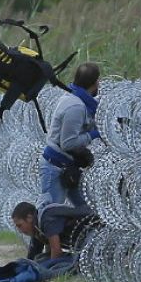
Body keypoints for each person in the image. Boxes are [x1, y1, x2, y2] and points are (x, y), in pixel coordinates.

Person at [39, 62, 101, 208]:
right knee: (50, 214)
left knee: (86, 212)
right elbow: (68, 143)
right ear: (95, 82)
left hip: (68, 167)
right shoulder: (76, 106)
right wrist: (94, 135)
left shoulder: (77, 100)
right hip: (55, 167)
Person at [11, 201, 96, 260]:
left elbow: (56, 250)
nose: (19, 230)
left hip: (94, 230)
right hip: (86, 241)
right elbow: (33, 255)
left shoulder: (46, 218)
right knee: (41, 260)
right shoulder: (37, 227)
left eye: (20, 225)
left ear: (29, 218)